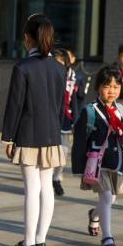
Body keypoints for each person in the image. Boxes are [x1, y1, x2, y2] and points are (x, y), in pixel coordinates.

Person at [2, 14, 66, 246]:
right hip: (52, 134)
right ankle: (40, 240)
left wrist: (8, 137)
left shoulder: (23, 67)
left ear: (27, 38)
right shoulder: (60, 68)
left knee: (32, 188)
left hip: (28, 135)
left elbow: (15, 106)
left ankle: (28, 243)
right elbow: (60, 105)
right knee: (46, 186)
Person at [71, 66, 123, 246]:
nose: (112, 91)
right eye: (107, 86)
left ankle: (94, 215)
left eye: (116, 86)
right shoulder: (90, 111)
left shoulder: (122, 110)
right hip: (97, 163)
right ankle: (107, 237)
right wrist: (78, 167)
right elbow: (79, 140)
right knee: (105, 196)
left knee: (110, 199)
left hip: (117, 161)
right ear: (98, 88)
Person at [51, 48, 85, 196]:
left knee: (63, 152)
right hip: (49, 117)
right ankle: (46, 179)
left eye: (61, 62)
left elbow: (78, 99)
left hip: (66, 117)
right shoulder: (48, 75)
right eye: (55, 62)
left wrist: (77, 118)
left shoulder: (75, 77)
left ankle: (56, 178)